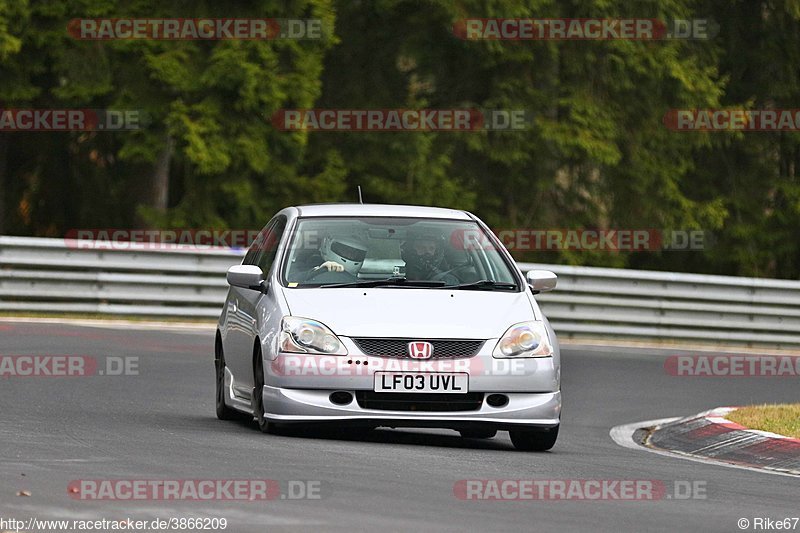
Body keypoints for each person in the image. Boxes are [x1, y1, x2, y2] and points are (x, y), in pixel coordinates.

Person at [293, 234, 368, 283]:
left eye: (356, 253)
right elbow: (292, 279)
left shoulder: (366, 285)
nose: (351, 256)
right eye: (345, 251)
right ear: (327, 245)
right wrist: (318, 270)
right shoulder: (310, 264)